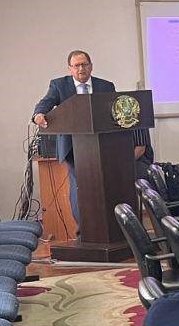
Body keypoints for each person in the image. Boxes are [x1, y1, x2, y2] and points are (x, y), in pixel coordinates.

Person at [32, 49, 120, 230]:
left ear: (91, 66)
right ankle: (84, 229)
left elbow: (115, 111)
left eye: (84, 64)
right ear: (70, 68)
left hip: (102, 145)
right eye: (77, 65)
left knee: (104, 185)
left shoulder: (106, 86)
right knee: (80, 185)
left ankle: (107, 227)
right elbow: (45, 103)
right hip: (73, 147)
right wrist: (38, 114)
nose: (81, 69)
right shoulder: (59, 85)